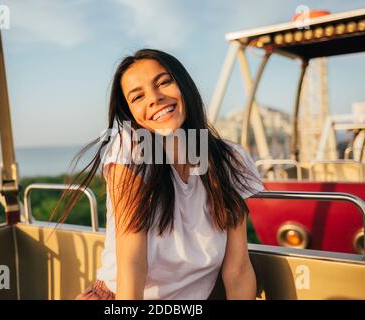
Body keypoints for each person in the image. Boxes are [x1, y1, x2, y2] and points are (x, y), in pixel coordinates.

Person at [54, 49, 265, 300]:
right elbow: (132, 263)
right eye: (137, 97)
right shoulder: (132, 149)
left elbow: (238, 269)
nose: (154, 99)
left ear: (184, 84)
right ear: (131, 112)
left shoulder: (230, 160)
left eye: (164, 82)